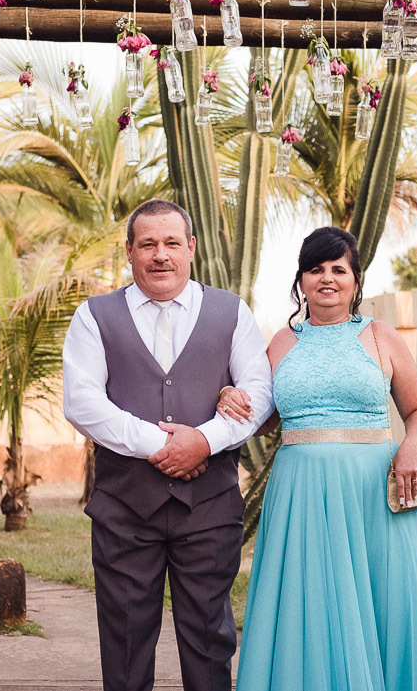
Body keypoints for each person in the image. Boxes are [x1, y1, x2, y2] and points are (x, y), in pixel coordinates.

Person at [60, 199, 273, 691]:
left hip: (210, 507)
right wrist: (163, 444)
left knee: (209, 638)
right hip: (125, 508)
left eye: (172, 243)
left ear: (191, 249)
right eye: (148, 244)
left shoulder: (231, 312)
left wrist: (203, 440)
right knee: (126, 641)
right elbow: (83, 402)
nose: (161, 255)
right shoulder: (94, 317)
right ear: (129, 252)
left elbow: (259, 394)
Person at [227, 226, 417, 691]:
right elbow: (263, 417)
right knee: (308, 603)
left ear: (355, 279)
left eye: (338, 269)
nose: (327, 278)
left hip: (374, 492)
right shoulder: (281, 343)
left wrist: (411, 447)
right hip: (301, 491)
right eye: (315, 270)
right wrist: (230, 395)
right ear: (301, 280)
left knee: (383, 602)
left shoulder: (381, 336)